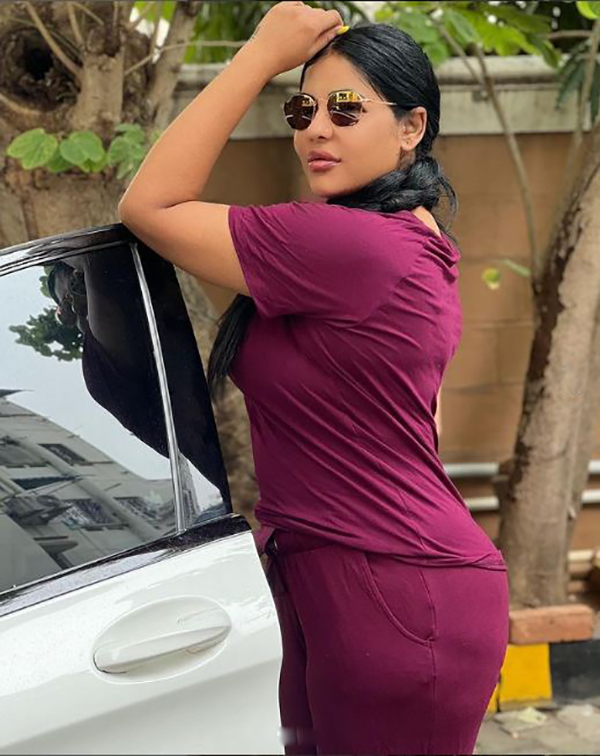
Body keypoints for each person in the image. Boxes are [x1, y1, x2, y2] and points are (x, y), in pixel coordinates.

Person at [117, 3, 509, 754]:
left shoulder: (352, 245)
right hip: (348, 582)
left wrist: (260, 55)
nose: (315, 130)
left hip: (394, 594)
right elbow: (421, 416)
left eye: (345, 108)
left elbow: (148, 204)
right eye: (302, 110)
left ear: (411, 127)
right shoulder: (406, 238)